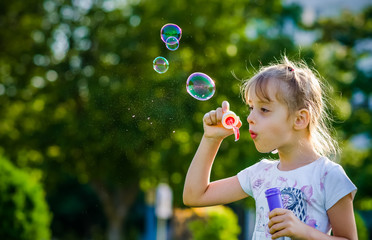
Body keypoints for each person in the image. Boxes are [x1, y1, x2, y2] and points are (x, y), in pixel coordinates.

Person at [183, 57, 357, 239]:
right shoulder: (260, 175)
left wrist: (303, 231)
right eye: (251, 108)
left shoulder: (328, 175)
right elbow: (194, 196)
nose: (250, 118)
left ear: (299, 119)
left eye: (264, 109)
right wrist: (211, 139)